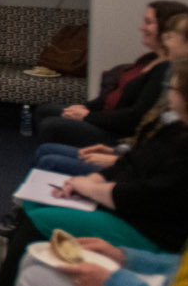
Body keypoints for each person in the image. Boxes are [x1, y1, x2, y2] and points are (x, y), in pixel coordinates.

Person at [0, 59, 188, 286]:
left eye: (172, 90)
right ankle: (8, 267)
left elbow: (149, 197)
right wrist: (95, 178)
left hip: (147, 230)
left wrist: (93, 189)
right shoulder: (175, 130)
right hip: (125, 204)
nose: (168, 94)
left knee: (40, 220)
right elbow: (131, 161)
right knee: (33, 204)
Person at [32, 11, 188, 177]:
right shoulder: (154, 63)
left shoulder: (166, 75)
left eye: (171, 36)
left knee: (50, 155)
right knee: (46, 145)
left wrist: (116, 160)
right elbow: (148, 141)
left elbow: (156, 163)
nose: (165, 40)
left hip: (131, 165)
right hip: (128, 152)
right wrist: (119, 150)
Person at [9, 236, 188, 286]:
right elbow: (182, 265)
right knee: (34, 259)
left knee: (34, 279)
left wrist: (114, 285)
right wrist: (123, 257)